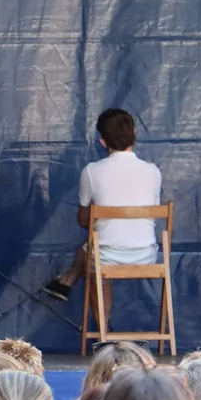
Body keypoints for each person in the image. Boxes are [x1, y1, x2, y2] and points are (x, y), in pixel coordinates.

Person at [42, 108, 161, 324]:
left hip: (106, 255)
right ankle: (67, 279)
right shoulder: (153, 171)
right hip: (146, 254)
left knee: (92, 255)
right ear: (134, 133)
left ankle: (102, 327)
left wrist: (101, 212)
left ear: (103, 142)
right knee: (90, 249)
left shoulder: (91, 171)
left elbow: (83, 221)